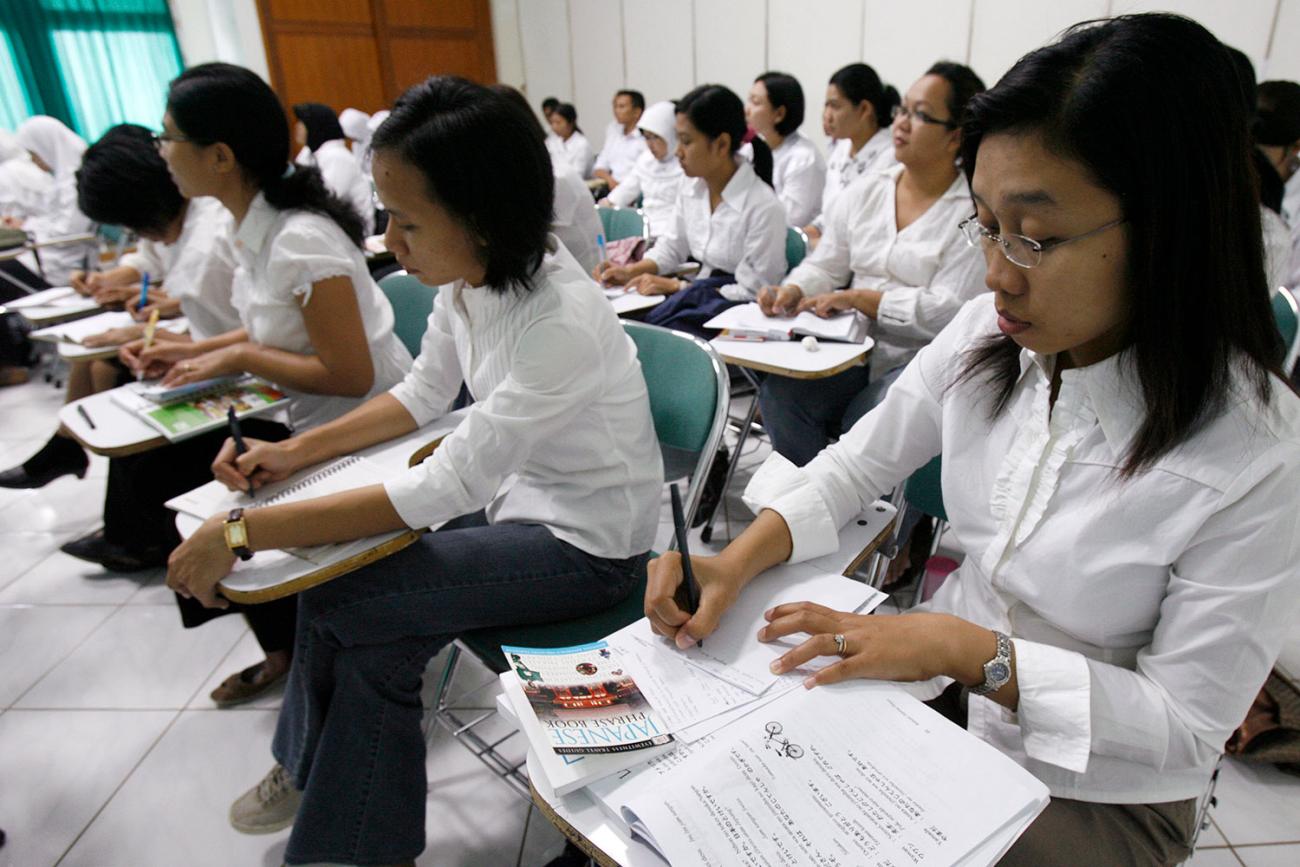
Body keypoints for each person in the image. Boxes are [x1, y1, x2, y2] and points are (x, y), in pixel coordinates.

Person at [646, 15, 1300, 866]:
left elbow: (1179, 727)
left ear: (1170, 227)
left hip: (1106, 786)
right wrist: (735, 558)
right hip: (949, 699)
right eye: (984, 223)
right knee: (736, 775)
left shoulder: (1254, 451)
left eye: (1035, 235)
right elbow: (854, 466)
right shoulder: (985, 339)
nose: (995, 270)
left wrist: (962, 649)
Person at [163, 75, 663, 866]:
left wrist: (239, 529)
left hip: (586, 550)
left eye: (407, 222)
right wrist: (290, 456)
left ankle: (313, 791)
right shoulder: (472, 279)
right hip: (511, 510)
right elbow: (422, 393)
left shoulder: (556, 321)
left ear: (482, 219)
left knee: (334, 587)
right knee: (374, 652)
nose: (390, 242)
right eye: (387, 215)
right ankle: (352, 836)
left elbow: (438, 489)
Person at [68, 62, 412, 708]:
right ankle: (283, 646)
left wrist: (238, 357)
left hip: (367, 429)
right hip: (314, 421)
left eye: (169, 137)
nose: (160, 152)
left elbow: (351, 373)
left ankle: (305, 664)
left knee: (206, 494)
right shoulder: (253, 228)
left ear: (220, 155)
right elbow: (267, 333)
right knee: (195, 481)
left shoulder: (297, 240)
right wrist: (198, 349)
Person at [755, 62, 987, 466]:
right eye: (902, 110)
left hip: (921, 361)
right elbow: (827, 265)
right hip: (852, 347)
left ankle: (896, 521)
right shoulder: (869, 191)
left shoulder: (973, 213)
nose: (901, 124)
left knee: (873, 417)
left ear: (956, 136)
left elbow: (952, 312)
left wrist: (866, 300)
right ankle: (817, 509)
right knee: (782, 397)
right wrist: (794, 288)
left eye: (921, 115)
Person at [0, 124, 241, 490]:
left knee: (112, 369)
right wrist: (114, 281)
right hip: (213, 337)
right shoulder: (183, 220)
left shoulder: (208, 235)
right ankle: (67, 450)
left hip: (229, 355)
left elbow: (226, 321)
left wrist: (164, 326)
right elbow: (158, 264)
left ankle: (93, 479)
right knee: (97, 358)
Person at [594, 84, 786, 338]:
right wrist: (630, 271)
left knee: (649, 341)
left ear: (721, 144)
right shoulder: (691, 186)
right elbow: (672, 247)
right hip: (701, 295)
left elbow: (753, 291)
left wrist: (678, 286)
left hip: (738, 314)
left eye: (686, 141)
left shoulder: (762, 206)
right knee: (622, 328)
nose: (678, 152)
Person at [493, 84, 603, 272]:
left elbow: (528, 242)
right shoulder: (526, 167)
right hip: (550, 274)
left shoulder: (555, 176)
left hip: (579, 279)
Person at [805, 63, 900, 247]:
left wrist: (811, 243)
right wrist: (808, 232)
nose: (827, 115)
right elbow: (831, 213)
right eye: (826, 106)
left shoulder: (890, 157)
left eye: (835, 106)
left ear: (864, 109)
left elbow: (867, 230)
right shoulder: (841, 147)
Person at [12, 116, 94, 287]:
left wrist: (28, 229)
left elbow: (68, 232)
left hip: (62, 263)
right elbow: (52, 220)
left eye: (34, 154)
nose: (34, 161)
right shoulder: (62, 179)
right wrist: (28, 226)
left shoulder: (79, 179)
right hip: (47, 254)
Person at [747, 71, 826, 228]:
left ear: (779, 114)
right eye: (748, 100)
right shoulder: (752, 148)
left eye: (755, 103)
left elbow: (790, 219)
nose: (746, 110)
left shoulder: (803, 158)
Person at [602, 100, 687, 238]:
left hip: (674, 233)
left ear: (672, 135)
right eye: (647, 138)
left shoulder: (685, 163)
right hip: (644, 229)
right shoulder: (646, 160)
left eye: (656, 138)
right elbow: (627, 189)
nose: (650, 144)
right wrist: (607, 204)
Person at [291, 102, 374, 235]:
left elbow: (326, 199)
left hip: (351, 230)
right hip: (326, 227)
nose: (297, 128)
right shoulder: (308, 154)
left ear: (315, 126)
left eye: (302, 122)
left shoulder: (338, 157)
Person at [592, 89, 648, 190]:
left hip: (636, 190)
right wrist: (610, 180)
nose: (616, 111)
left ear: (637, 112)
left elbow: (644, 173)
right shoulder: (613, 130)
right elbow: (599, 167)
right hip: (609, 186)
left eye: (621, 107)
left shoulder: (646, 137)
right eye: (615, 106)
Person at [546, 102, 593, 178]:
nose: (554, 127)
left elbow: (577, 175)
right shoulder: (551, 141)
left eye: (558, 123)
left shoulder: (582, 144)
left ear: (570, 123)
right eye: (552, 123)